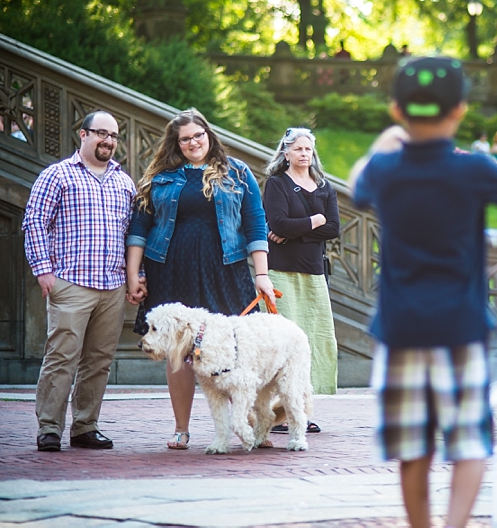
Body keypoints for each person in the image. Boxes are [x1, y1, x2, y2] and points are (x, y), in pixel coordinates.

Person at [349, 56, 497, 528]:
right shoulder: (472, 168)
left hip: (400, 329)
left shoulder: (385, 169)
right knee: (469, 443)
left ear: (397, 110)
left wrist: (385, 140)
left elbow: (356, 183)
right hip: (460, 327)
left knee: (412, 448)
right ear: (459, 110)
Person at [125, 108, 273, 451]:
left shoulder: (237, 172)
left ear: (209, 134)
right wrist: (134, 274)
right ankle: (181, 429)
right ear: (175, 143)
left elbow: (255, 222)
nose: (193, 143)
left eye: (198, 135)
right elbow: (139, 227)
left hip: (226, 269)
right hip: (170, 269)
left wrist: (262, 274)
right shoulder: (161, 176)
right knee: (177, 350)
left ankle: (251, 424)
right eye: (185, 139)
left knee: (237, 351)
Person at [23, 111, 136, 452]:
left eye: (113, 136)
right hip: (71, 283)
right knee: (61, 357)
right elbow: (35, 221)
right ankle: (49, 428)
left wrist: (137, 275)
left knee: (99, 361)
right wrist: (43, 269)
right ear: (83, 134)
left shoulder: (124, 182)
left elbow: (133, 234)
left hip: (112, 285)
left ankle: (86, 426)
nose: (108, 141)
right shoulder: (58, 174)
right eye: (101, 133)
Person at [263, 127, 340, 434]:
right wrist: (315, 220)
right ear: (286, 153)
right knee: (282, 344)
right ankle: (276, 413)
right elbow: (278, 223)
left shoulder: (324, 187)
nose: (304, 154)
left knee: (313, 341)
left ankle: (302, 412)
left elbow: (333, 228)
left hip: (314, 272)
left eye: (308, 149)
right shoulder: (277, 183)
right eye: (297, 149)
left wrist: (298, 231)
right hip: (281, 271)